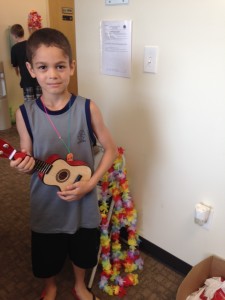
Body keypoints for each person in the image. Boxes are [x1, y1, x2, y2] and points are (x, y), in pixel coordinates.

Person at [10, 28, 117, 300]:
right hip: (46, 203)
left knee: (83, 249)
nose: (52, 74)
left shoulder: (87, 108)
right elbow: (27, 154)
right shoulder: (25, 114)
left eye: (60, 66)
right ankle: (51, 285)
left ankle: (80, 284)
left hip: (84, 202)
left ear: (72, 66)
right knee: (47, 251)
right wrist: (22, 164)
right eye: (43, 67)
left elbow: (111, 150)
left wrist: (91, 183)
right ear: (30, 70)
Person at [10, 24, 42, 101]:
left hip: (26, 81)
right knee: (41, 102)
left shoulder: (14, 48)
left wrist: (17, 73)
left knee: (30, 105)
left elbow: (15, 66)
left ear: (14, 35)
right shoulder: (32, 44)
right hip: (38, 78)